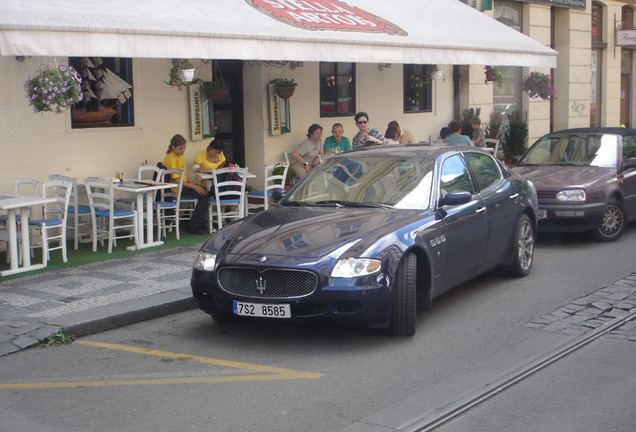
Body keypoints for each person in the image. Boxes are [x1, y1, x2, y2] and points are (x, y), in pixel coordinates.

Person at [162, 134, 209, 234]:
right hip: (176, 189)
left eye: (184, 148)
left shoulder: (180, 156)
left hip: (183, 185)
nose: (183, 150)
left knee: (206, 191)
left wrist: (195, 185)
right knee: (204, 196)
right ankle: (194, 224)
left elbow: (185, 175)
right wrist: (195, 187)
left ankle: (198, 220)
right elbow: (176, 180)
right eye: (180, 148)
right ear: (173, 147)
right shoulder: (171, 158)